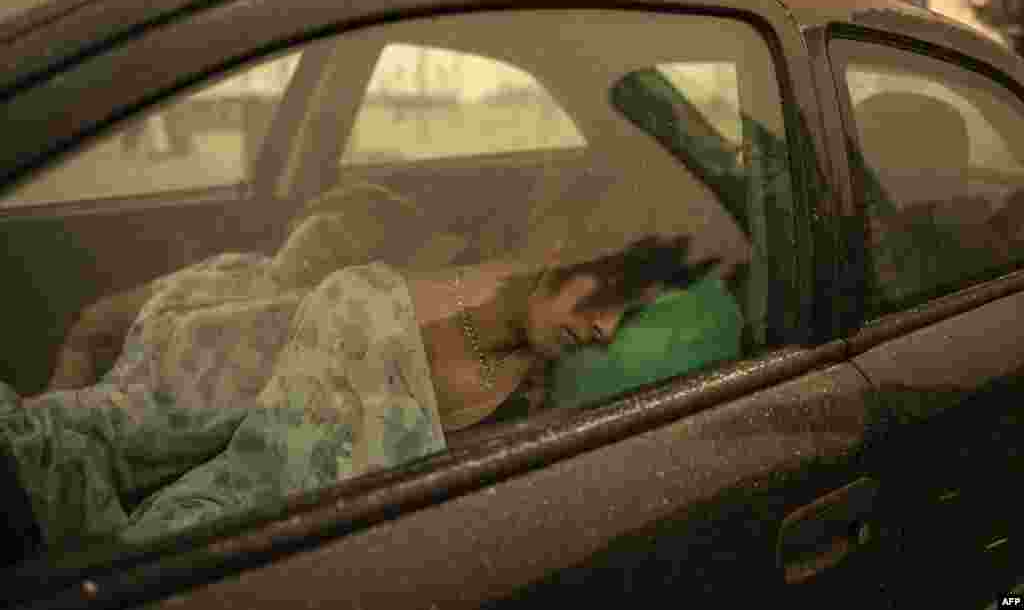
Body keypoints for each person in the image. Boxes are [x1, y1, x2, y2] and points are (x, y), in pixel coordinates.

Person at [0, 234, 707, 557]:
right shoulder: (409, 283)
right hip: (192, 416)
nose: (605, 330)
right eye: (609, 297)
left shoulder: (539, 392)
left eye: (628, 320)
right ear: (568, 253)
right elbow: (223, 366)